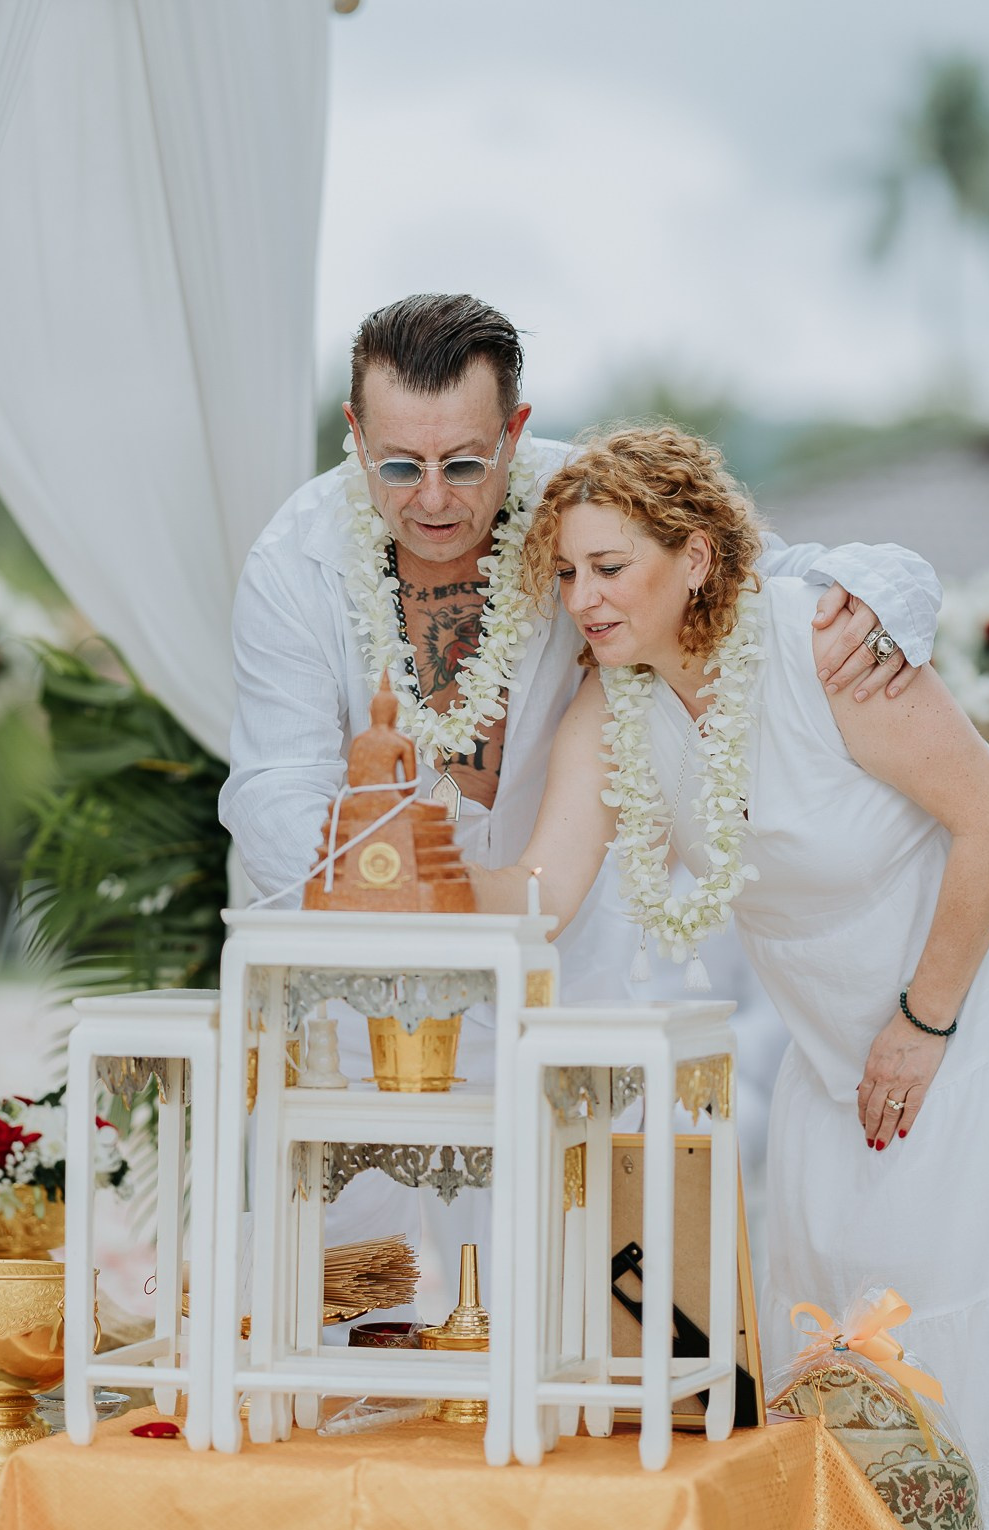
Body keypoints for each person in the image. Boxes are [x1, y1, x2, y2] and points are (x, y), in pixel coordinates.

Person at [476, 427, 989, 1530]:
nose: (582, 599)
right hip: (830, 1015)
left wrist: (925, 1021)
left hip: (986, 974)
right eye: (563, 573)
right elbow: (540, 892)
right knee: (839, 1259)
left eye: (608, 566)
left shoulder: (819, 648)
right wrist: (416, 874)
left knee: (953, 1261)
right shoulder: (612, 712)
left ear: (695, 557)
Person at [221, 294, 944, 1303]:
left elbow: (756, 571)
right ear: (353, 434)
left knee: (558, 1298)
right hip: (351, 998)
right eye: (398, 466)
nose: (432, 498)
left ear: (515, 432)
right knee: (330, 1293)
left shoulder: (585, 507)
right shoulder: (292, 563)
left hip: (560, 975)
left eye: (464, 464)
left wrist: (889, 595)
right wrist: (395, 901)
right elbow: (274, 790)